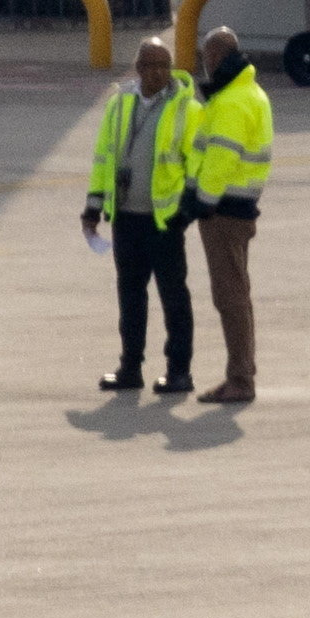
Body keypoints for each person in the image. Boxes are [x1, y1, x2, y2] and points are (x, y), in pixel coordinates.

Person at [84, 35, 198, 395]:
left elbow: (195, 164)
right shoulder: (119, 105)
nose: (161, 73)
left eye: (166, 65)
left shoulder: (186, 108)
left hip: (164, 220)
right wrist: (93, 205)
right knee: (131, 296)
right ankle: (130, 366)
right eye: (154, 66)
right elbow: (104, 157)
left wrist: (186, 210)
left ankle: (179, 370)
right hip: (126, 218)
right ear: (139, 68)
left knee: (173, 296)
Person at [186, 25, 277, 404]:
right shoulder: (245, 93)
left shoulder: (232, 101)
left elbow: (221, 160)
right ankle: (241, 374)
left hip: (224, 213)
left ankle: (240, 378)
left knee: (230, 295)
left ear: (218, 57)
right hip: (236, 209)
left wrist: (200, 203)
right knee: (236, 292)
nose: (204, 65)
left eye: (207, 57)